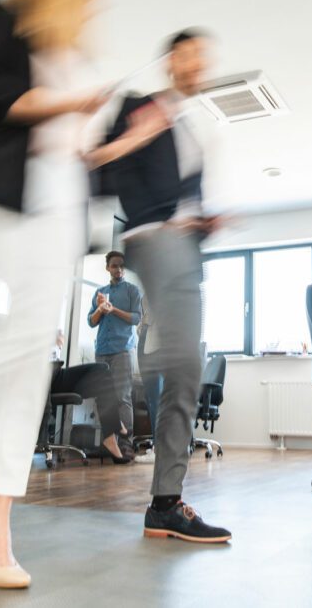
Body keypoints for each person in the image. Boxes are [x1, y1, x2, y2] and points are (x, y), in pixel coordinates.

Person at [0, 0, 110, 589]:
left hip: (64, 204)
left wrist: (91, 128)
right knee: (24, 343)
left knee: (32, 354)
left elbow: (74, 145)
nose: (92, 4)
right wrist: (55, 104)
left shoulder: (79, 56)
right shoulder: (11, 15)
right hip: (14, 195)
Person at [82, 29, 231, 543]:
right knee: (185, 362)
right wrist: (132, 136)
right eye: (189, 54)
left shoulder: (191, 128)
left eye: (203, 57)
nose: (198, 64)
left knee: (186, 367)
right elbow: (97, 172)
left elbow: (183, 203)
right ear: (171, 60)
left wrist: (207, 222)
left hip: (185, 252)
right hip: (154, 241)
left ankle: (165, 503)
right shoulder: (140, 107)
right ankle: (165, 499)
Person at [87, 250, 142, 459]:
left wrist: (113, 310)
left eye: (121, 266)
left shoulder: (132, 291)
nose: (118, 269)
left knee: (122, 398)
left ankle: (126, 444)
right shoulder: (100, 292)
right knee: (104, 400)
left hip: (122, 351)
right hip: (101, 351)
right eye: (114, 266)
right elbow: (91, 322)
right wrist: (101, 308)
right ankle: (109, 443)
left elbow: (136, 318)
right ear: (107, 268)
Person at [135, 295, 163, 464]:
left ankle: (159, 449)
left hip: (155, 346)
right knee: (154, 399)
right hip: (149, 343)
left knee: (156, 400)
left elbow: (152, 316)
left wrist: (143, 324)